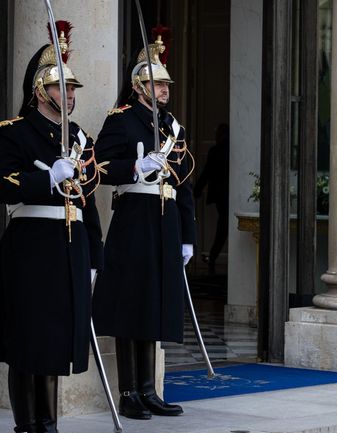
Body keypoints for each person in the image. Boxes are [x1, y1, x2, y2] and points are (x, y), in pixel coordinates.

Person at [0, 22, 104, 433]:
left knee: (58, 339)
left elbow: (87, 201)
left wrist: (94, 255)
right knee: (30, 339)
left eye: (73, 88)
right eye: (62, 87)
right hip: (32, 247)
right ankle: (28, 425)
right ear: (41, 91)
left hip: (71, 246)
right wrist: (46, 178)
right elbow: (3, 184)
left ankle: (49, 423)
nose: (71, 95)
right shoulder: (15, 132)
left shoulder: (79, 138)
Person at [91, 30, 195, 419]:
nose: (164, 89)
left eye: (166, 84)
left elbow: (184, 183)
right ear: (138, 86)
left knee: (154, 304)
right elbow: (99, 167)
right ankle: (129, 392)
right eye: (157, 83)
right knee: (131, 302)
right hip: (134, 216)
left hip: (166, 220)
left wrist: (188, 236)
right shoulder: (121, 120)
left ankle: (149, 390)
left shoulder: (172, 126)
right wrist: (136, 167)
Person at [194, 123, 229, 274]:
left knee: (223, 229)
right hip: (224, 195)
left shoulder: (216, 151)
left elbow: (206, 172)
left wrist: (197, 190)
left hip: (222, 196)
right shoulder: (221, 150)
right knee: (223, 228)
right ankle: (213, 259)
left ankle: (213, 259)